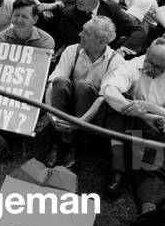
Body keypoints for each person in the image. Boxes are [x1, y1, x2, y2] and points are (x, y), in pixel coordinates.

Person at [96, 39, 165, 226]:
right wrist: (142, 114)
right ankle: (118, 172)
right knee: (114, 106)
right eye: (149, 61)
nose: (150, 68)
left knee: (152, 163)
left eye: (158, 67)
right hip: (131, 122)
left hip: (156, 128)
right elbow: (110, 90)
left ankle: (148, 210)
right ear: (146, 53)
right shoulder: (132, 65)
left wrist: (149, 108)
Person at [44, 17, 124, 169]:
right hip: (67, 108)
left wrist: (81, 122)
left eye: (86, 33)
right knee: (60, 81)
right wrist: (50, 114)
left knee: (83, 85)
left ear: (102, 41)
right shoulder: (72, 50)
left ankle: (78, 144)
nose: (80, 34)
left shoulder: (116, 60)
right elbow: (51, 84)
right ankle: (60, 140)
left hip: (92, 116)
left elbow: (103, 98)